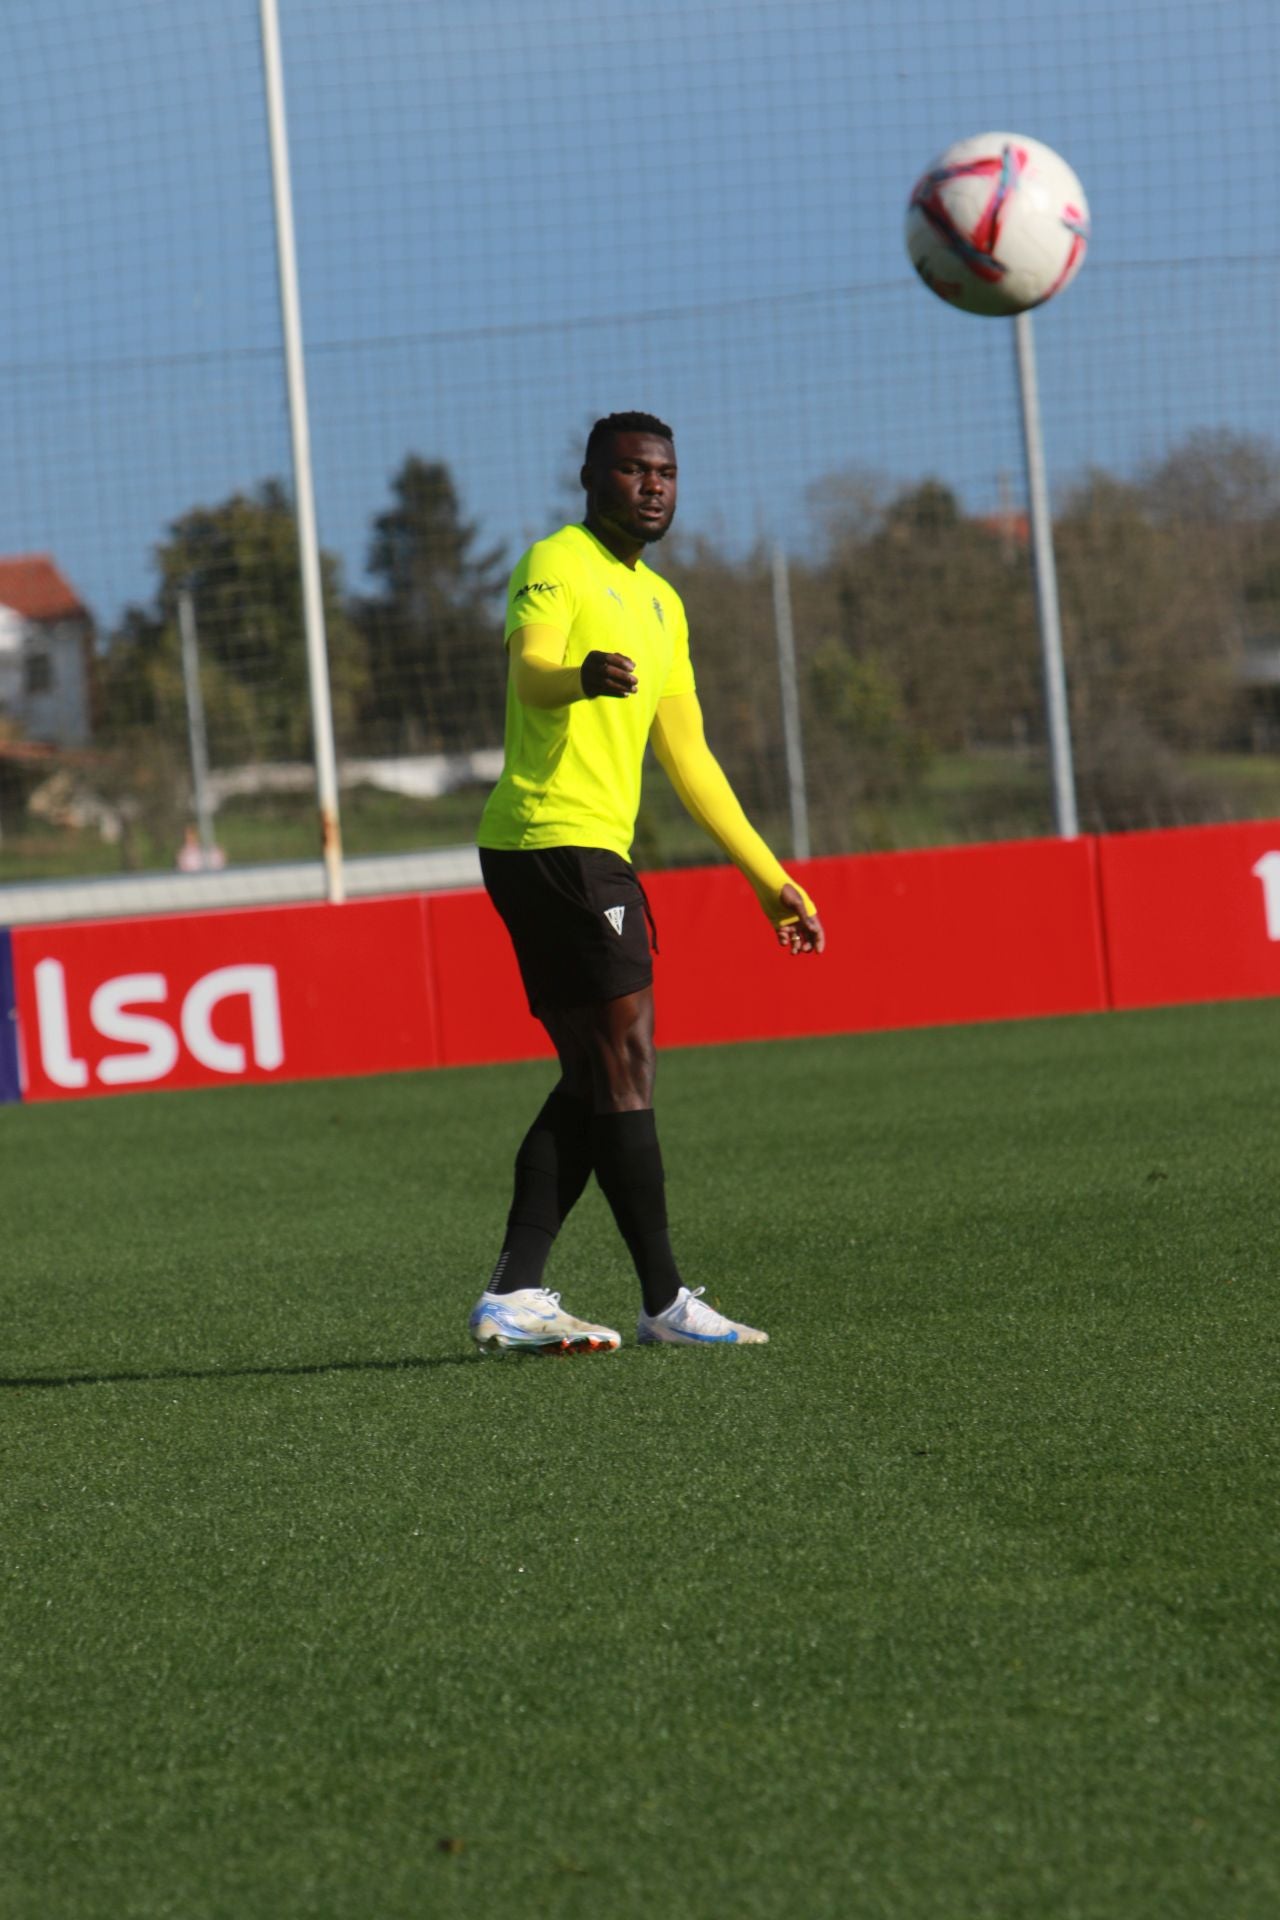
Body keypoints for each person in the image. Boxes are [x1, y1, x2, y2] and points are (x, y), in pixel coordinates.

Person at [470, 411, 824, 1354]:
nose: (653, 486)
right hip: (554, 842)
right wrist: (581, 673)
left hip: (581, 851)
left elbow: (691, 757)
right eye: (632, 471)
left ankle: (515, 1293)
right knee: (623, 1065)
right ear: (590, 477)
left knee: (595, 1073)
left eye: (665, 471)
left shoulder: (664, 606)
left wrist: (767, 877)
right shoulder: (556, 559)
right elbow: (532, 671)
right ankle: (665, 1301)